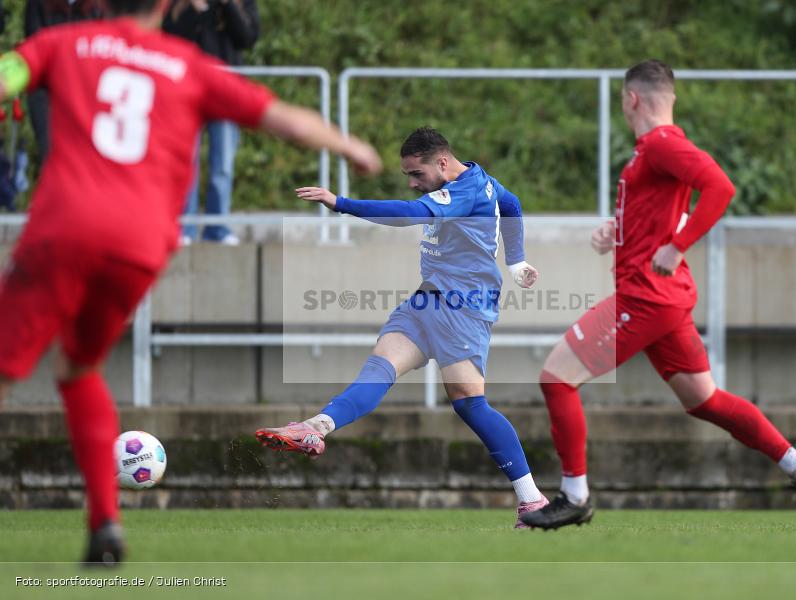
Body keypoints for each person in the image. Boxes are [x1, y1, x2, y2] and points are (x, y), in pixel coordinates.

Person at [0, 0, 381, 565]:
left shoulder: (67, 43)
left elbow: (10, 74)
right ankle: (105, 523)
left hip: (65, 226)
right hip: (139, 246)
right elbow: (283, 118)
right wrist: (349, 146)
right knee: (79, 369)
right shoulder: (187, 64)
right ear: (163, 5)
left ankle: (105, 518)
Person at [521, 60, 796, 530]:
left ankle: (575, 496)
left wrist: (678, 244)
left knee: (557, 378)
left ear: (631, 99)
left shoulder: (662, 144)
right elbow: (662, 211)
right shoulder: (653, 150)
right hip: (663, 297)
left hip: (646, 298)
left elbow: (720, 188)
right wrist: (619, 230)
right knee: (704, 399)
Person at [256, 127, 550, 528]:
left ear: (442, 163)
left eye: (418, 174)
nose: (413, 184)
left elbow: (409, 214)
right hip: (428, 300)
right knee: (380, 366)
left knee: (470, 404)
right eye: (408, 177)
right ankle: (315, 427)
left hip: (463, 309)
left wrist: (340, 203)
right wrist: (516, 262)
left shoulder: (465, 191)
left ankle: (531, 500)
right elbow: (511, 204)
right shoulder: (484, 184)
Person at [164, 0, 259, 245]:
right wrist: (196, 10)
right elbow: (170, 36)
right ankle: (186, 227)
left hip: (226, 91)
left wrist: (228, 6)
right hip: (188, 89)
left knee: (223, 165)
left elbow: (247, 38)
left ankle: (217, 228)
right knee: (187, 162)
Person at [25, 0, 104, 168]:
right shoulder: (38, 4)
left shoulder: (101, 6)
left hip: (89, 94)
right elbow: (33, 46)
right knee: (52, 158)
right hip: (48, 94)